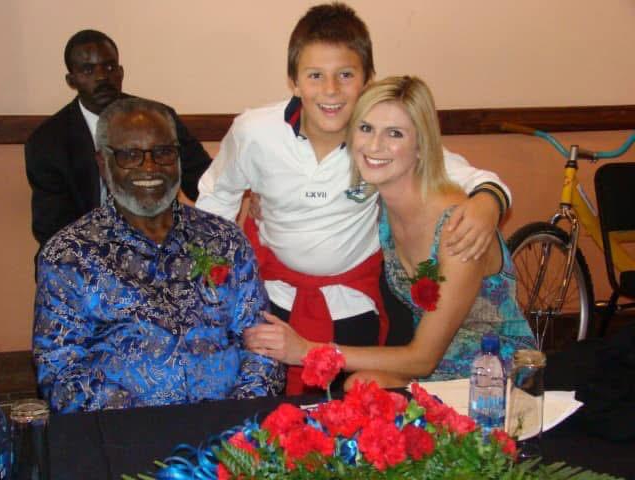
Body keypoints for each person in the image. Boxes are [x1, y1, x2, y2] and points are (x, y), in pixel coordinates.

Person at [196, 3, 510, 394]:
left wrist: (489, 202)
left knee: (350, 399)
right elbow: (217, 195)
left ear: (366, 80)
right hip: (272, 288)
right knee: (255, 395)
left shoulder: (378, 138)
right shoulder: (255, 132)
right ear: (294, 81)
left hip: (353, 299)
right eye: (315, 75)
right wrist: (213, 278)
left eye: (345, 75)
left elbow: (469, 175)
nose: (331, 90)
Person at [245, 76, 536, 387]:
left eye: (394, 133)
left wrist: (307, 351)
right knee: (361, 386)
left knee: (361, 386)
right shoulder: (376, 202)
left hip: (492, 371)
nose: (374, 145)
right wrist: (269, 202)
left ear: (422, 146)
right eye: (366, 128)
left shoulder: (458, 228)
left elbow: (423, 359)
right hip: (429, 362)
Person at [33, 98, 283, 413]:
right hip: (124, 432)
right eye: (130, 155)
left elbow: (263, 346)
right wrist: (150, 426)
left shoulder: (224, 240)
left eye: (163, 152)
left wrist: (235, 420)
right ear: (103, 163)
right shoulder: (70, 254)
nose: (149, 167)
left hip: (229, 429)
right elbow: (60, 371)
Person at [25, 29, 211, 259]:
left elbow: (206, 184)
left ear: (121, 73)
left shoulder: (158, 120)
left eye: (110, 67)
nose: (102, 77)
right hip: (83, 255)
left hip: (160, 247)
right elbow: (52, 227)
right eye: (88, 70)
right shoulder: (47, 142)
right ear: (71, 81)